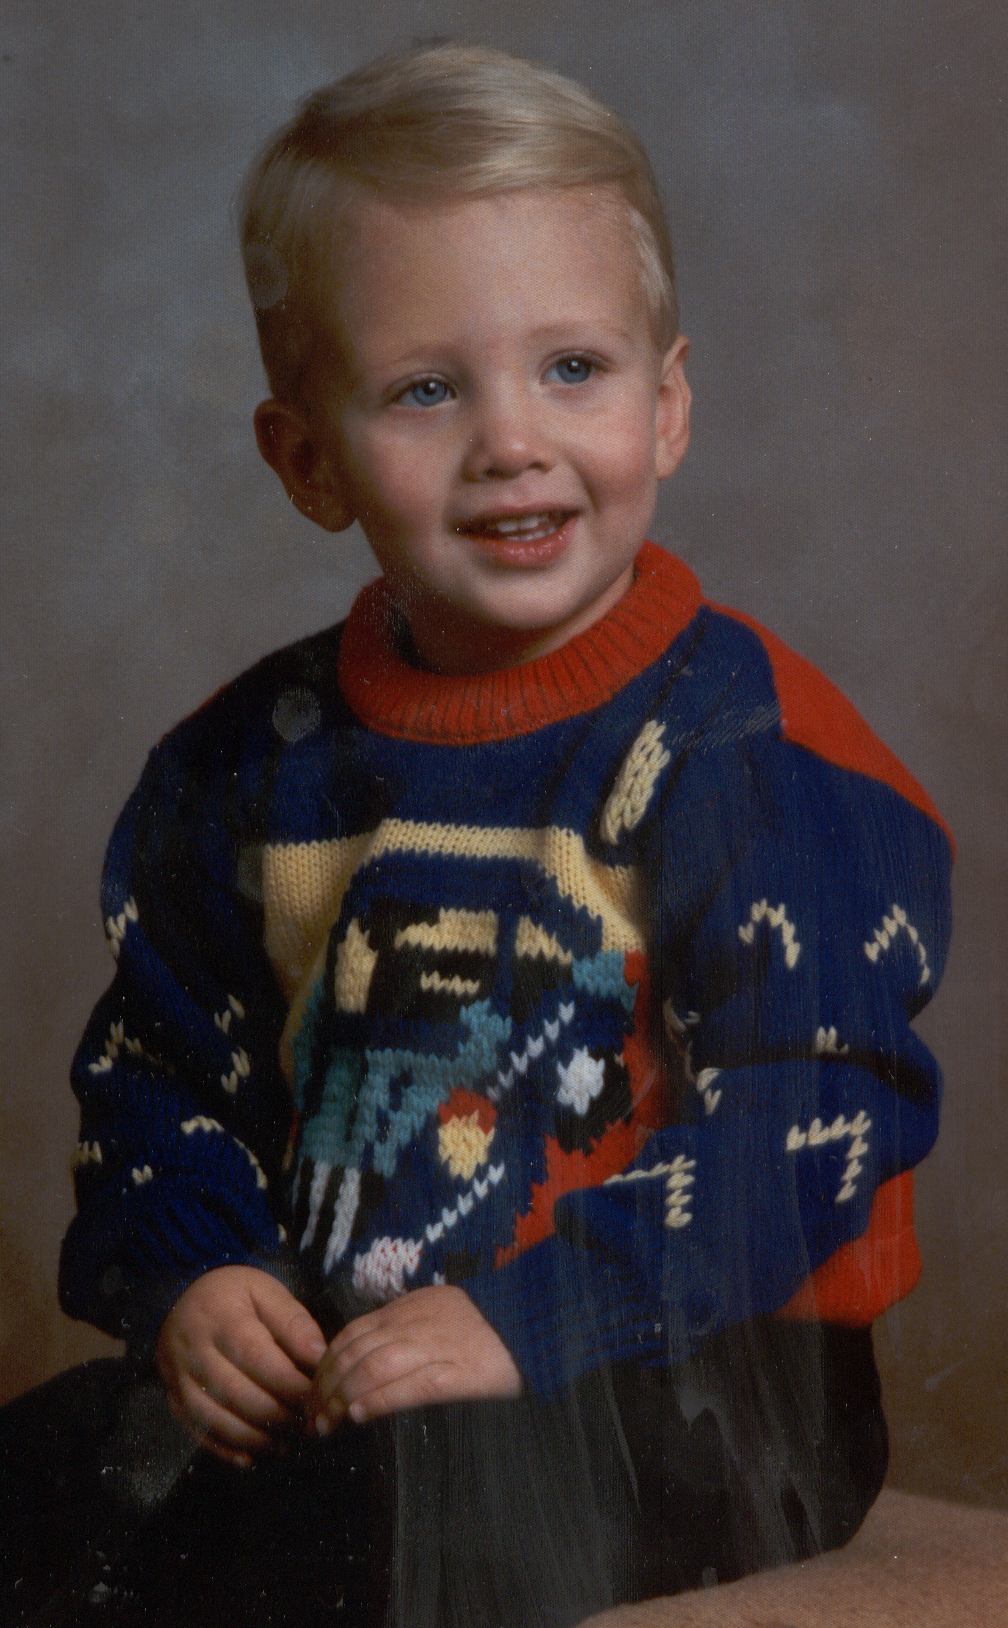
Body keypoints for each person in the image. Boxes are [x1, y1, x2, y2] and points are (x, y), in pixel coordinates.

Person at [37, 39, 952, 1628]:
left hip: (702, 1375)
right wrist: (191, 1272)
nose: (511, 441)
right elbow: (158, 1077)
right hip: (359, 1361)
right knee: (56, 1476)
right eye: (425, 388)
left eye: (574, 369)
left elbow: (817, 1118)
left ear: (669, 407)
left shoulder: (756, 754)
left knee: (383, 1531)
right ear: (308, 457)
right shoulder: (242, 771)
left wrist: (530, 1319)